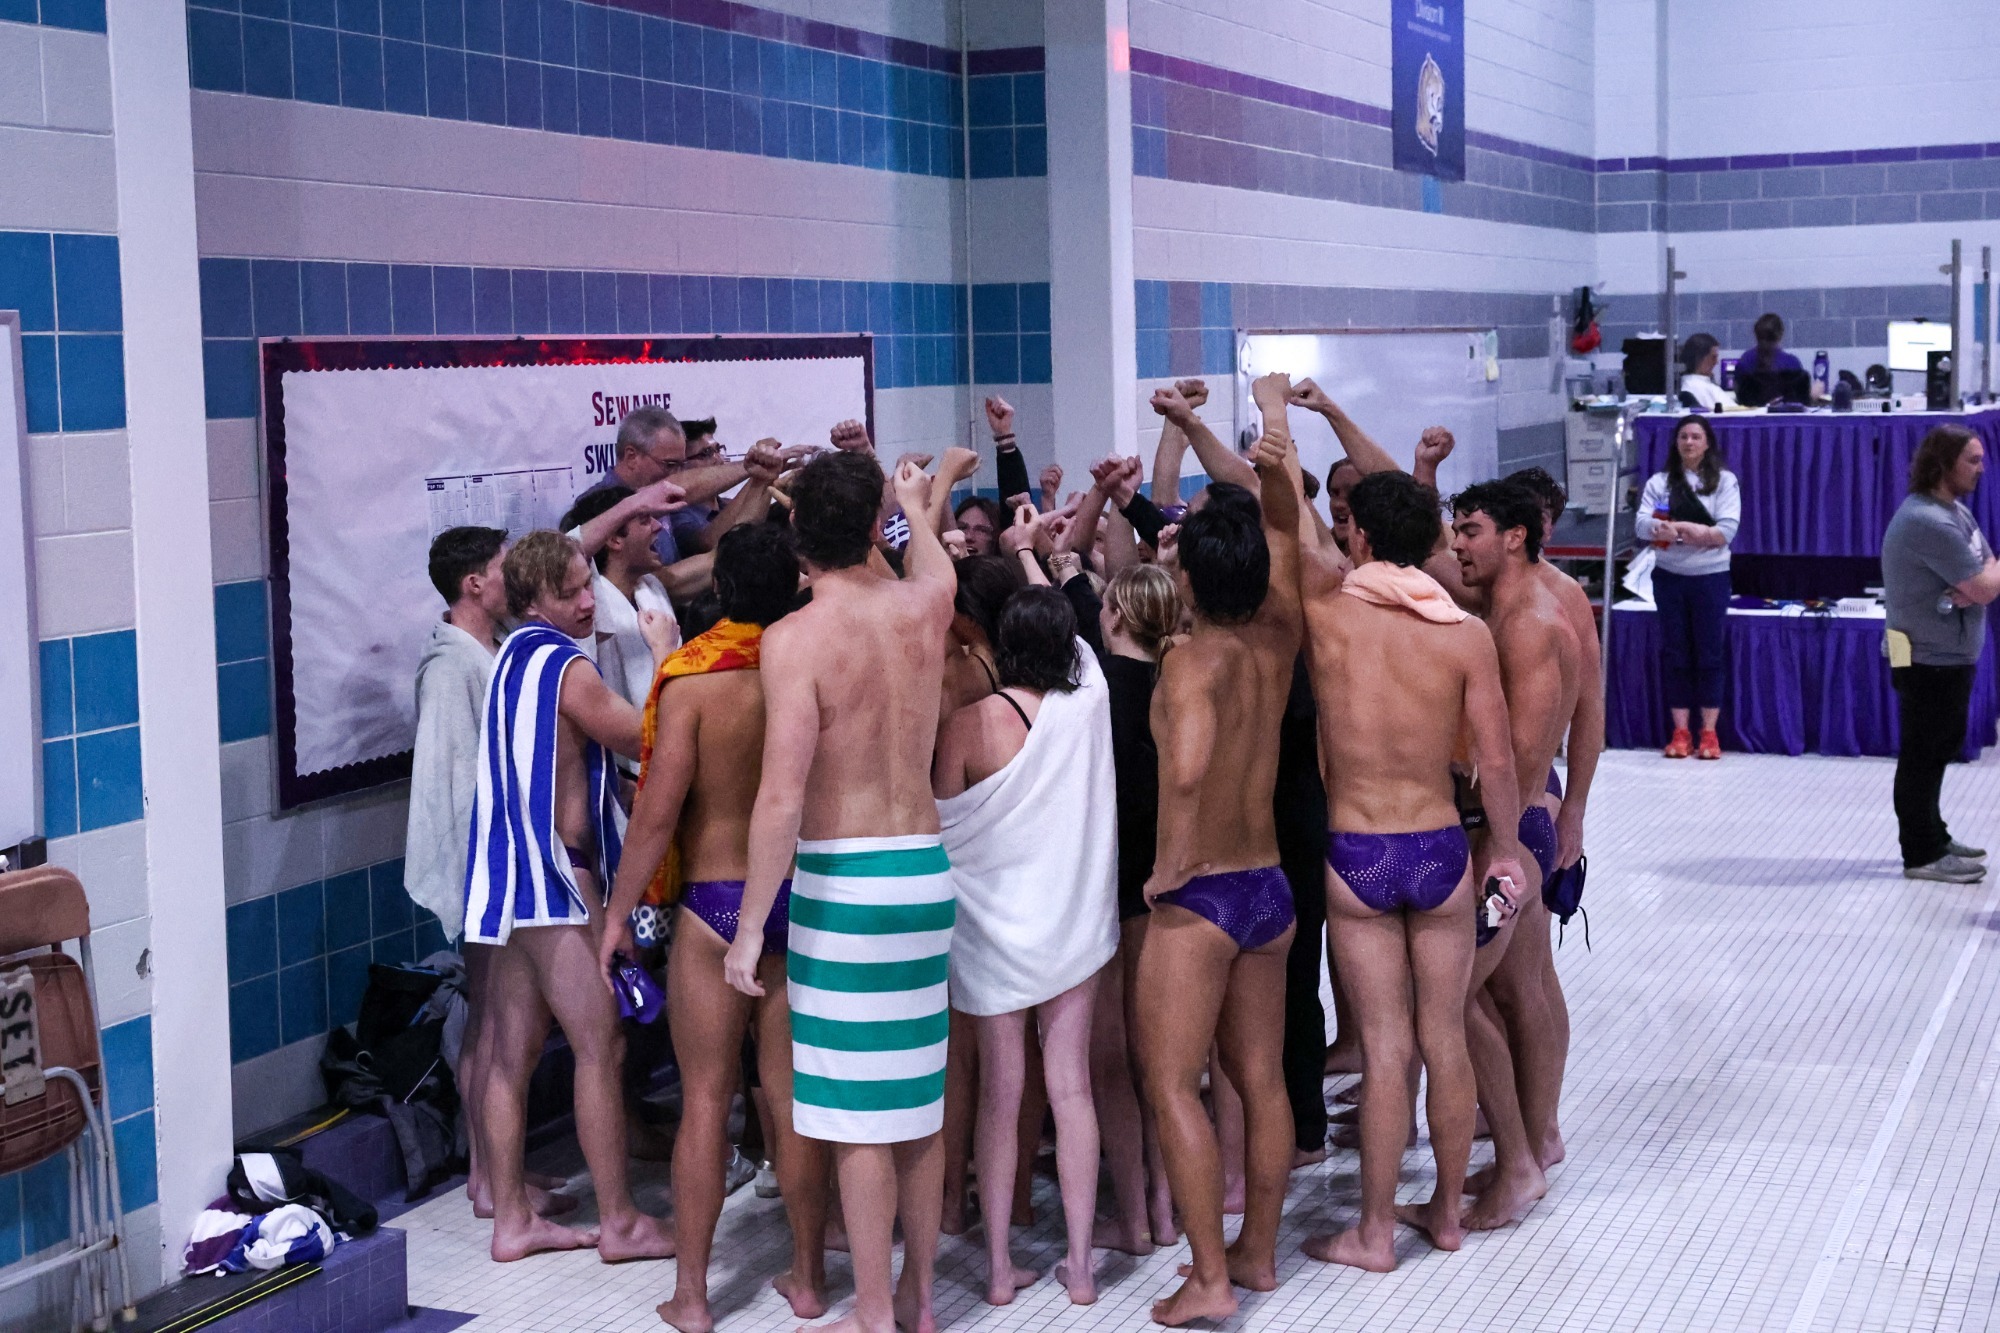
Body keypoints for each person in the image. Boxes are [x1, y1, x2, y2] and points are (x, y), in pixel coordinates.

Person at [723, 450, 956, 1333]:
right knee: (920, 1104)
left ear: (793, 539)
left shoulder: (793, 640)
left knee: (859, 1115)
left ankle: (867, 1308)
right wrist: (911, 503)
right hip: (924, 872)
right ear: (871, 530)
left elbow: (781, 794)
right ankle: (921, 1300)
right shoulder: (924, 607)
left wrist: (749, 930)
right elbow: (934, 561)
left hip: (846, 882)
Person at [597, 523, 827, 1332]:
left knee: (705, 1102)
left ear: (721, 592)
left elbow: (655, 818)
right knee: (793, 1099)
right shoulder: (809, 668)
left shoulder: (689, 681)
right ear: (796, 583)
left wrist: (618, 914)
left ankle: (693, 1295)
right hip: (800, 899)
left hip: (713, 903)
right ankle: (806, 1277)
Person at [1296, 470, 1526, 1272]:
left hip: (1359, 849)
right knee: (1444, 1033)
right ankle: (1448, 1213)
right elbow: (1495, 762)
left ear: (1357, 534)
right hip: (1437, 849)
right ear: (1431, 539)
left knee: (1385, 1046)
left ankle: (1372, 1234)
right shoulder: (1466, 633)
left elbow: (1287, 523)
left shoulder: (1325, 619)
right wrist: (1506, 845)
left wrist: (1276, 419)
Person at [1135, 374, 1301, 1327]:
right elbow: (1277, 511)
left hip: (1200, 898)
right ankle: (1260, 1254)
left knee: (1172, 1083)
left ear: (1188, 575)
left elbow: (1189, 770)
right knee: (1261, 1079)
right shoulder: (1279, 636)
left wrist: (1169, 864)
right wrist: (1253, 423)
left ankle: (1207, 1280)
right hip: (1269, 887)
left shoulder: (1191, 659)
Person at [461, 530, 675, 1263]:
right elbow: (653, 736)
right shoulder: (564, 665)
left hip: (504, 885)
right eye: (571, 593)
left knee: (509, 1055)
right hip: (556, 880)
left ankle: (511, 1217)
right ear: (532, 602)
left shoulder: (509, 658)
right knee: (600, 1047)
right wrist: (665, 653)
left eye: (589, 584)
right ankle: (620, 1222)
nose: (588, 602)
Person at [934, 587, 1118, 1307]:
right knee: (1070, 1087)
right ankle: (1080, 1265)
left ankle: (999, 1268)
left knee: (999, 1097)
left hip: (988, 930)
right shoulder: (1088, 707)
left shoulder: (967, 724)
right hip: (1071, 922)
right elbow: (1087, 653)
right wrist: (1049, 560)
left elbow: (944, 824)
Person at [405, 526, 572, 1221]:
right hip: (480, 868)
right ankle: (483, 1175)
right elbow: (448, 790)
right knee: (489, 1026)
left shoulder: (485, 652)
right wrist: (471, 883)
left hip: (494, 865)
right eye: (504, 571)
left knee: (494, 1024)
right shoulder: (450, 669)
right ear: (474, 583)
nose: (513, 582)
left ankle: (491, 1170)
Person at [1448, 481, 1581, 1230]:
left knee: (1453, 994)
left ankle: (1521, 1165)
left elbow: (1522, 765)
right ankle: (1524, 1145)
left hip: (1510, 844)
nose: (1458, 544)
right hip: (1518, 839)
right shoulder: (1509, 605)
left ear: (1516, 537)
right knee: (1519, 991)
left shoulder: (1528, 624)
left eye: (1469, 531)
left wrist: (1500, 856)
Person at [1882, 425, 2000, 884]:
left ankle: (1933, 833)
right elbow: (1985, 585)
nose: (1981, 468)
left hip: (1944, 655)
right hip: (1927, 658)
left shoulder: (1954, 513)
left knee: (1935, 750)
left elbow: (1986, 571)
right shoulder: (1927, 522)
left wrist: (1983, 579)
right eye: (1972, 460)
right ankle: (1922, 853)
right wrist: (1981, 582)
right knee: (1923, 754)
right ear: (1944, 463)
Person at [1634, 414, 1740, 760]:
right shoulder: (1660, 483)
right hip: (1669, 578)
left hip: (1710, 578)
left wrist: (1676, 528)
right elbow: (1643, 525)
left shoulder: (1724, 482)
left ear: (1707, 443)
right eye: (1683, 437)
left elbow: (1723, 533)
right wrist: (1691, 532)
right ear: (1676, 444)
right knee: (1676, 653)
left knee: (1709, 653)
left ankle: (1708, 733)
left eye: (1696, 437)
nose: (1690, 442)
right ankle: (1680, 732)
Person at [559, 485, 683, 718]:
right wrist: (632, 505)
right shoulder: (589, 602)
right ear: (614, 539)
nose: (658, 526)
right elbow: (564, 551)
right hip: (624, 742)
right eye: (645, 519)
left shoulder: (649, 587)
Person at [1732, 312, 1808, 407]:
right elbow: (1799, 401)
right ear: (1781, 334)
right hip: (1784, 420)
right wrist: (1813, 394)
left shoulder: (1744, 362)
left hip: (1751, 419)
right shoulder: (1792, 363)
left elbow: (1739, 395)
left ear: (1756, 335)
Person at [1678, 333, 1737, 411]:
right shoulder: (1698, 387)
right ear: (1699, 358)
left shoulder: (1694, 384)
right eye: (1713, 357)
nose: (1716, 362)